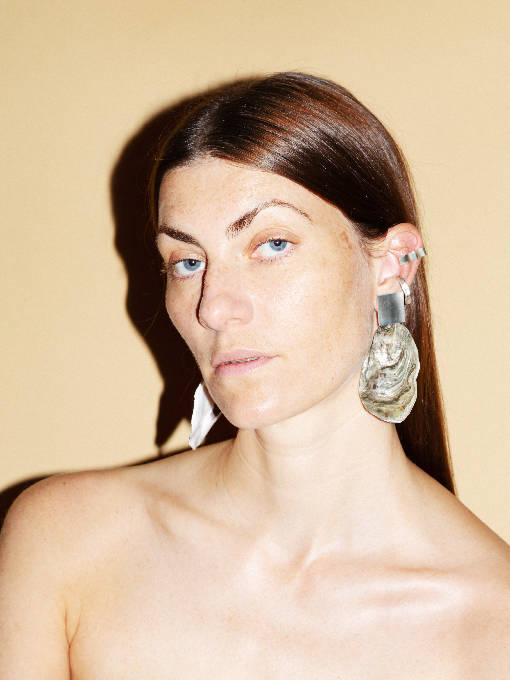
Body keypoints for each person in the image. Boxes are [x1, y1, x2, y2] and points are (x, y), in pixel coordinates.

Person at [1, 71, 509, 677]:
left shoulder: (490, 626)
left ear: (392, 266)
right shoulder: (68, 541)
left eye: (272, 245)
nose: (213, 307)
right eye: (187, 261)